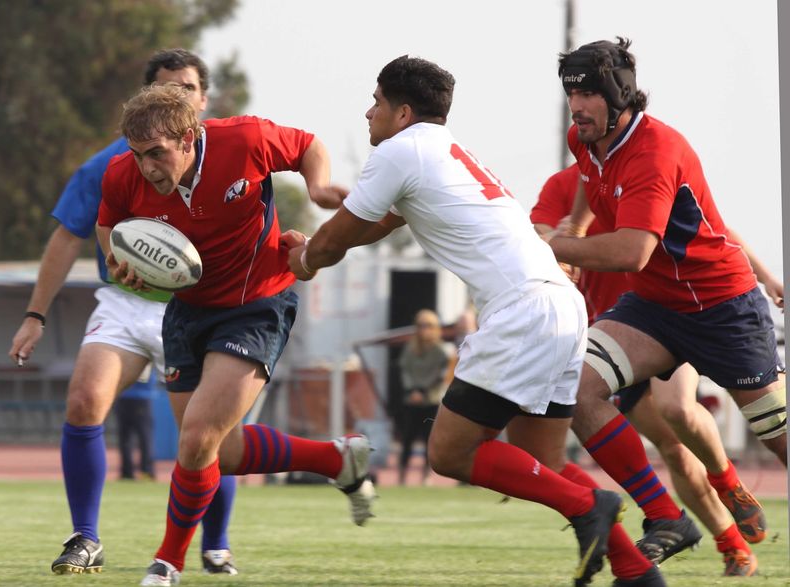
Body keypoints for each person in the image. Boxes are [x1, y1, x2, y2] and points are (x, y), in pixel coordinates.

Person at [286, 55, 665, 587]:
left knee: (449, 453)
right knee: (543, 460)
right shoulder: (444, 151)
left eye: (376, 102)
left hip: (523, 312)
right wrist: (320, 243)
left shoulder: (399, 150)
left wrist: (302, 260)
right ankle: (636, 571)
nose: (368, 112)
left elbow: (332, 242)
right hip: (562, 304)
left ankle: (588, 507)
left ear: (403, 113)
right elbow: (378, 224)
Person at [95, 83, 376, 587]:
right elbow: (109, 225)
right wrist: (120, 264)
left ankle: (167, 563)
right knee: (217, 453)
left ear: (188, 138)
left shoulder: (244, 139)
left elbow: (308, 145)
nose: (147, 167)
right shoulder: (122, 173)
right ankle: (335, 459)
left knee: (198, 438)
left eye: (156, 153)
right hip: (187, 311)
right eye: (137, 155)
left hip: (256, 304)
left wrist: (317, 188)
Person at [546, 37, 787, 566]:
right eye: (571, 94)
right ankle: (665, 515)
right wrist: (577, 226)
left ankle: (725, 482)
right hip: (654, 307)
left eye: (588, 94)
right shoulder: (585, 138)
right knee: (575, 388)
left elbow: (632, 252)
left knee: (778, 436)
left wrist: (552, 245)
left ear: (620, 94)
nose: (576, 106)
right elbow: (588, 177)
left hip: (723, 305)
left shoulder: (656, 150)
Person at [7, 49, 241, 576]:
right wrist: (34, 315)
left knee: (207, 437)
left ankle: (216, 543)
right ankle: (85, 537)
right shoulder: (111, 164)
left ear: (204, 100)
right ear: (145, 98)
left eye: (187, 88)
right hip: (127, 302)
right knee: (84, 400)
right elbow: (67, 237)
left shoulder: (231, 152)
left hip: (199, 309)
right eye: (166, 87)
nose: (177, 96)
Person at [531, 164, 779, 576]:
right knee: (674, 451)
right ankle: (731, 545)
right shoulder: (562, 185)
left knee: (676, 409)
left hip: (670, 314)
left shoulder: (645, 172)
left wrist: (767, 277)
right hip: (618, 329)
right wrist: (554, 242)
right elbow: (539, 236)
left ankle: (726, 481)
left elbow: (716, 232)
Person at [396, 309, 454, 485]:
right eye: (420, 325)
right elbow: (405, 371)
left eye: (428, 325)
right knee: (407, 438)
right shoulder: (410, 348)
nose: (424, 329)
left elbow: (441, 375)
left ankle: (427, 475)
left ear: (436, 328)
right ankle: (402, 475)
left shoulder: (442, 350)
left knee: (430, 438)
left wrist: (423, 391)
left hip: (432, 399)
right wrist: (412, 390)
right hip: (412, 399)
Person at [115, 370, 158, 481]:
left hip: (123, 398)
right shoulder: (145, 362)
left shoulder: (122, 362)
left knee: (125, 438)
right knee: (145, 437)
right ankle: (146, 471)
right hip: (141, 399)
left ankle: (127, 473)